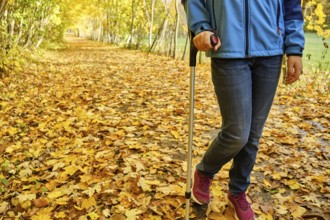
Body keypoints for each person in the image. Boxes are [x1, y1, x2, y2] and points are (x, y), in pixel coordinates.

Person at [184, 0, 304, 219]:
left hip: (271, 50)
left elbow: (291, 5)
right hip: (227, 47)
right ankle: (204, 171)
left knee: (253, 135)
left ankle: (238, 191)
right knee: (237, 133)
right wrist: (201, 27)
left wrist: (294, 46)